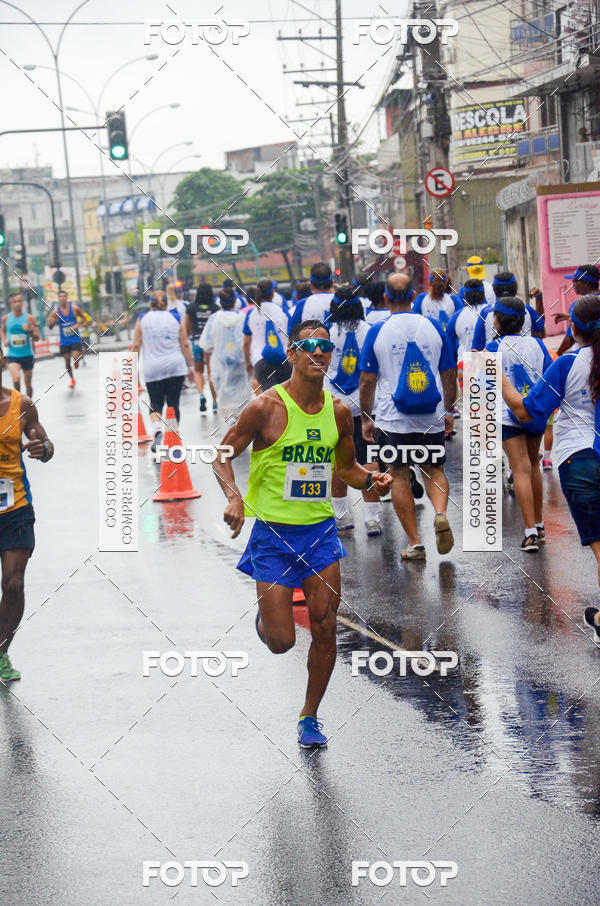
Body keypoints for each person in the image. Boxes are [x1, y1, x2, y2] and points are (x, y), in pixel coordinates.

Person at [213, 319, 391, 747]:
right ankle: (267, 620)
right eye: (308, 345)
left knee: (325, 625)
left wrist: (371, 480)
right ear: (292, 354)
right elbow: (221, 455)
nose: (319, 352)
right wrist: (234, 498)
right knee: (281, 642)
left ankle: (309, 716)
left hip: (319, 533)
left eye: (325, 346)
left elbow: (346, 469)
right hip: (273, 536)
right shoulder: (265, 408)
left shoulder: (339, 412)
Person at [500, 295, 600, 636]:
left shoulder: (567, 364)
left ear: (574, 330)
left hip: (579, 461)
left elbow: (526, 411)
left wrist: (499, 379)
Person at [359, 273, 457, 561]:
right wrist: (448, 410)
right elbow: (449, 373)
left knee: (399, 475)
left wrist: (366, 417)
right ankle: (440, 513)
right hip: (430, 416)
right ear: (414, 296)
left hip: (392, 421)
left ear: (386, 298)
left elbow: (367, 381)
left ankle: (415, 543)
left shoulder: (377, 331)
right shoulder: (433, 327)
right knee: (434, 470)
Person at [0, 345, 54, 682]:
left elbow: (46, 445)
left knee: (13, 584)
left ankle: (1, 652)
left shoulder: (22, 405)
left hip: (15, 507)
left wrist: (42, 448)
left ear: (3, 361)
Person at [486, 297, 553, 552]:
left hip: (507, 415)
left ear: (498, 321)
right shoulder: (537, 344)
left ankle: (530, 533)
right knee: (534, 465)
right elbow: (549, 377)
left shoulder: (493, 348)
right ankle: (540, 525)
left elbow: (482, 388)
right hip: (535, 412)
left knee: (520, 469)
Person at [324, 285, 383, 536]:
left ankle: (342, 516)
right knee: (369, 460)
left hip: (334, 405)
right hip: (366, 406)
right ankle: (372, 519)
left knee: (339, 461)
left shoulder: (326, 334)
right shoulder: (370, 331)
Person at [131, 294, 194, 452]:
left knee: (155, 402)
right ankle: (171, 438)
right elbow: (185, 344)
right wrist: (191, 367)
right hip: (175, 367)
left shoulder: (142, 319)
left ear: (151, 304)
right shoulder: (175, 317)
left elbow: (136, 346)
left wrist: (133, 370)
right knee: (173, 403)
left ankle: (157, 429)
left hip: (152, 369)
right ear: (166, 304)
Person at [200, 290, 251, 423]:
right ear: (235, 301)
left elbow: (206, 344)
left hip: (219, 364)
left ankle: (230, 420)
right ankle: (239, 421)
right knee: (241, 396)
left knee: (223, 396)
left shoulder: (214, 319)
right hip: (240, 364)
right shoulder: (243, 318)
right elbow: (248, 340)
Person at [472, 271, 545, 350]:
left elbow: (477, 346)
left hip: (494, 357)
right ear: (515, 289)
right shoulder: (526, 310)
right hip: (524, 354)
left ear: (494, 290)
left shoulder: (486, 312)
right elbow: (540, 329)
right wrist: (539, 298)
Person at [243, 277, 291, 392]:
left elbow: (246, 342)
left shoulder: (251, 313)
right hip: (283, 360)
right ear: (273, 292)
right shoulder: (283, 311)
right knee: (287, 396)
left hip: (260, 361)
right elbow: (292, 339)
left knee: (269, 397)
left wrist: (248, 362)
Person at [447, 278, 487, 392]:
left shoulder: (456, 317)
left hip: (465, 364)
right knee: (491, 401)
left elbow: (449, 346)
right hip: (489, 364)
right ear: (483, 294)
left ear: (465, 295)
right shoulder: (492, 313)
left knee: (471, 401)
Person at [186, 283, 219, 413]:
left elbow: (187, 327)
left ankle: (201, 394)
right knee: (210, 372)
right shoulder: (215, 308)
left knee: (198, 371)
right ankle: (215, 402)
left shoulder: (191, 308)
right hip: (211, 344)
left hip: (197, 342)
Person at [553, 265, 600, 356]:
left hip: (585, 356)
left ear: (587, 283)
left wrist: (556, 355)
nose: (573, 284)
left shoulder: (579, 306)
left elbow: (570, 339)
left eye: (575, 281)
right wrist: (570, 316)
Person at [1, 293, 39, 397]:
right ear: (11, 304)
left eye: (19, 301)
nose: (17, 304)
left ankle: (28, 403)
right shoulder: (6, 318)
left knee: (28, 385)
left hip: (27, 355)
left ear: (23, 303)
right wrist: (4, 339)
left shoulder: (29, 318)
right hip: (13, 355)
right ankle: (19, 400)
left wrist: (29, 330)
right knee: (16, 380)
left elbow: (37, 338)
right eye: (14, 302)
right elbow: (3, 330)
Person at [47, 289, 85, 388]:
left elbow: (84, 318)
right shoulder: (55, 312)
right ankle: (72, 379)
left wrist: (77, 325)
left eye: (64, 296)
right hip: (64, 340)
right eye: (60, 296)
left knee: (75, 357)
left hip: (75, 338)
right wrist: (51, 323)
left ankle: (77, 361)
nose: (62, 298)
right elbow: (50, 327)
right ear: (58, 298)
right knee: (67, 361)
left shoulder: (75, 308)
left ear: (67, 298)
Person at [288, 262, 335, 329]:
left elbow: (292, 333)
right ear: (332, 283)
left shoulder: (302, 304)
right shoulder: (342, 301)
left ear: (311, 284)